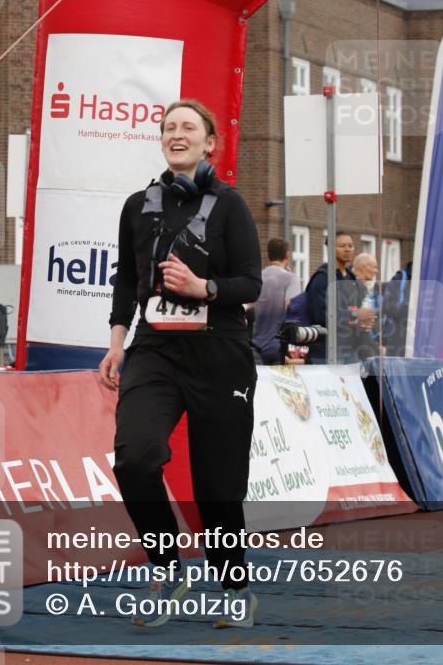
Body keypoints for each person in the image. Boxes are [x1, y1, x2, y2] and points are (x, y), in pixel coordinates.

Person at [99, 99, 262, 629]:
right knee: (135, 459)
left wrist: (204, 288)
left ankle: (235, 586)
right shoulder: (136, 206)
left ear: (209, 143)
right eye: (168, 127)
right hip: (155, 350)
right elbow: (126, 279)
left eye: (188, 127)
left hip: (220, 352)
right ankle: (168, 568)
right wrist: (117, 340)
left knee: (218, 487)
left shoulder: (230, 205)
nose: (176, 133)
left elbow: (250, 283)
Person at [304, 231, 356, 362]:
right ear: (331, 249)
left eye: (350, 245)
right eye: (342, 246)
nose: (348, 249)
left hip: (350, 349)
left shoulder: (352, 277)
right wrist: (354, 316)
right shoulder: (322, 278)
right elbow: (320, 315)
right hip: (326, 351)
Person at [251, 238, 300, 364]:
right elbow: (291, 307)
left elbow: (248, 305)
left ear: (267, 255)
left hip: (255, 345)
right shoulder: (291, 279)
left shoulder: (256, 277)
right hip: (278, 346)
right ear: (287, 255)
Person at [336, 253, 380, 363]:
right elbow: (342, 314)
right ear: (362, 267)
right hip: (344, 346)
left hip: (357, 344)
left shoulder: (365, 286)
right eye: (374, 267)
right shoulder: (351, 285)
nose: (376, 271)